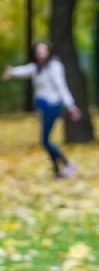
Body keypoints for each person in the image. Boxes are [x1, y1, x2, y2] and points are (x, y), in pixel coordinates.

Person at [2, 42, 81, 179]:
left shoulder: (54, 67)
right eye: (38, 51)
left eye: (44, 50)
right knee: (46, 140)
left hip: (53, 106)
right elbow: (25, 70)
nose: (41, 53)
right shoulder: (37, 67)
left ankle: (68, 164)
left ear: (49, 51)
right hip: (44, 107)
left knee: (45, 141)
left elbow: (62, 87)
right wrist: (12, 72)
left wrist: (71, 106)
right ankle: (57, 172)